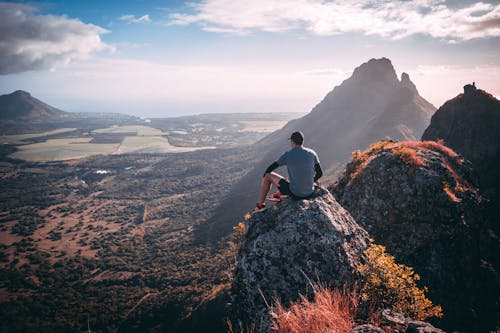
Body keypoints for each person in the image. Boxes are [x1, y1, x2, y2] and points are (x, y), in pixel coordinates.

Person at [254, 131, 323, 211]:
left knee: (268, 176)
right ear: (302, 141)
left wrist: (263, 177)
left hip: (296, 194)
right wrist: (311, 181)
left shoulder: (288, 154)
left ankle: (261, 204)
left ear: (292, 142)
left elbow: (271, 168)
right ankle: (279, 194)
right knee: (292, 176)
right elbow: (320, 173)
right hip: (310, 192)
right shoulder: (312, 153)